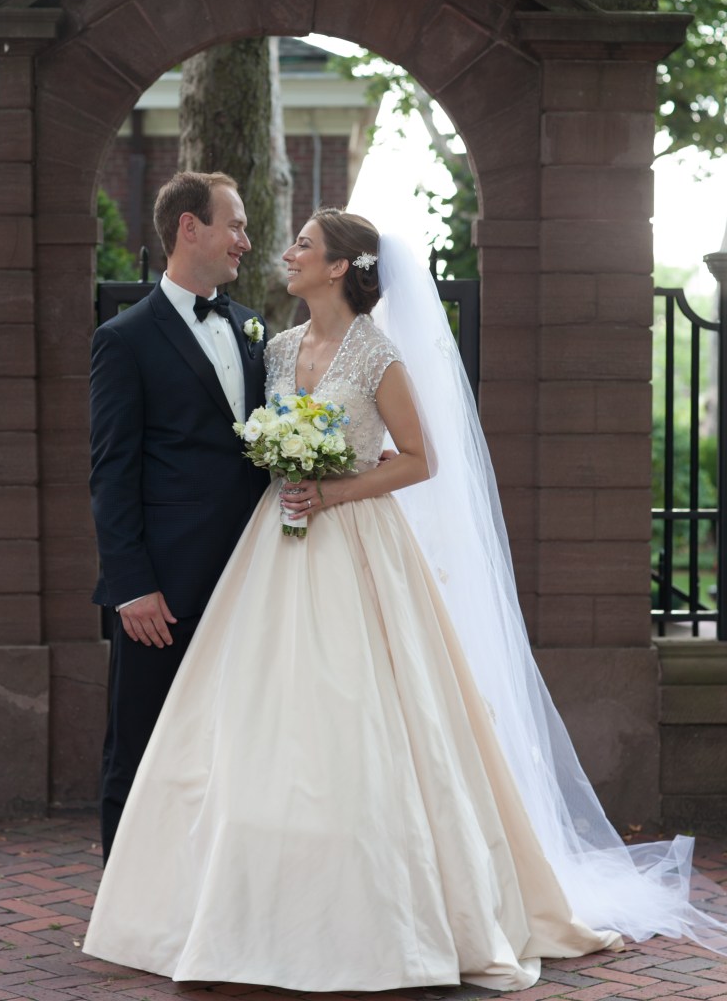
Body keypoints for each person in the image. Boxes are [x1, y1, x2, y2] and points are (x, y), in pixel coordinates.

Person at [84, 209, 726, 990]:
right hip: (271, 551)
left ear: (342, 266)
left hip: (357, 547)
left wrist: (337, 487)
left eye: (304, 246)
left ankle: (387, 914)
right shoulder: (275, 345)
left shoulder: (378, 354)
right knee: (256, 724)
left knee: (367, 722)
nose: (286, 253)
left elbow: (421, 460)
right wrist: (287, 473)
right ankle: (239, 910)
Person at [89, 170, 268, 862]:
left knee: (233, 742)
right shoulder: (124, 340)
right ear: (189, 227)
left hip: (253, 579)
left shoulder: (251, 327)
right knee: (139, 741)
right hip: (162, 591)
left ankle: (213, 889)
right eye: (235, 224)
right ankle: (124, 901)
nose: (245, 242)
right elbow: (112, 470)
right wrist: (131, 584)